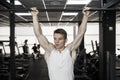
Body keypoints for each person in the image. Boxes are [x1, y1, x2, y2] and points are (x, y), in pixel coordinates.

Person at [31, 7, 90, 80]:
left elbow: (80, 33)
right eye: (55, 38)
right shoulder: (50, 50)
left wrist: (85, 16)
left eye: (60, 39)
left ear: (66, 40)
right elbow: (39, 34)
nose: (56, 41)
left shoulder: (70, 50)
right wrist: (34, 16)